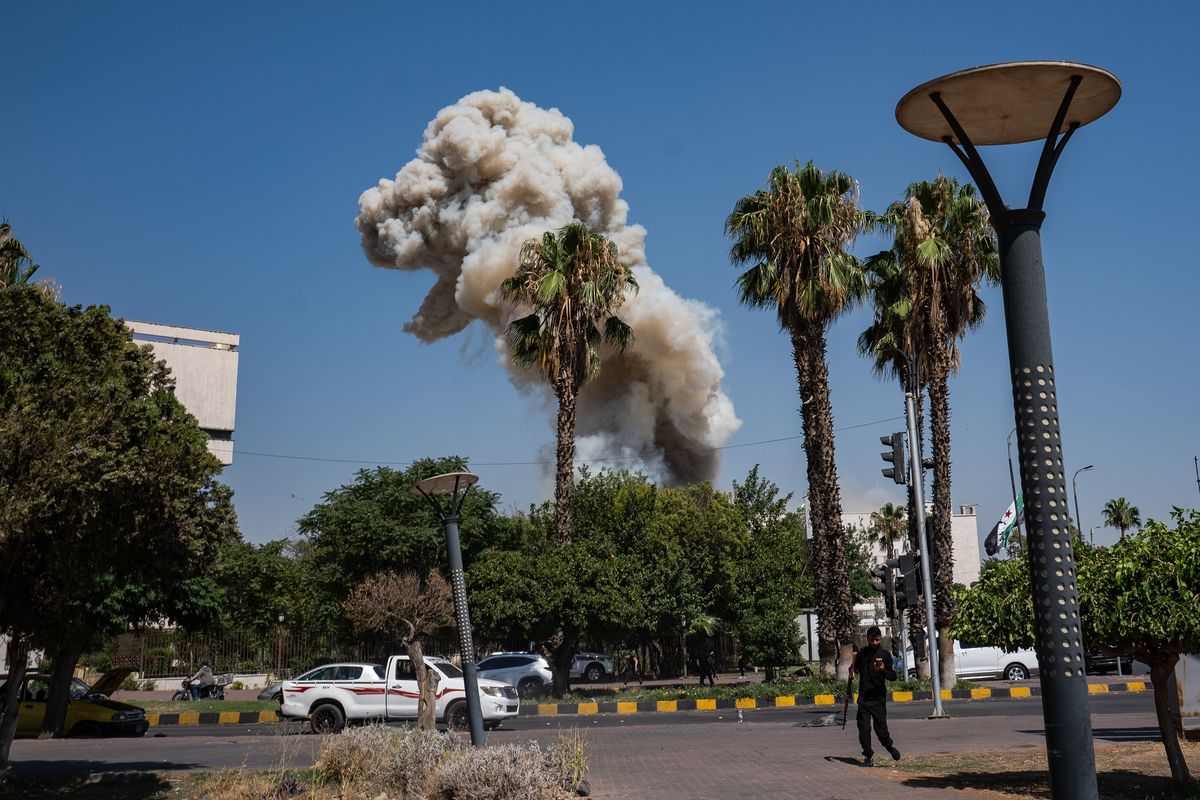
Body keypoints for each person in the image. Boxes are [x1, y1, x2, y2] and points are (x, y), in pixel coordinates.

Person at [850, 626, 901, 767]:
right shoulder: (862, 654)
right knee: (864, 730)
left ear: (880, 639)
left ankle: (889, 747)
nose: (875, 642)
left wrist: (884, 670)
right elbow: (853, 668)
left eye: (877, 640)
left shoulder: (885, 654)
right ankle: (868, 755)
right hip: (864, 698)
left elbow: (893, 676)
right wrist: (852, 672)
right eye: (872, 640)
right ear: (868, 639)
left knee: (881, 730)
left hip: (878, 699)